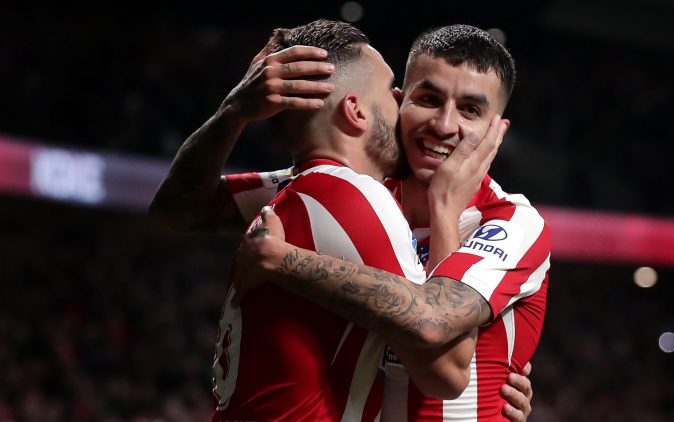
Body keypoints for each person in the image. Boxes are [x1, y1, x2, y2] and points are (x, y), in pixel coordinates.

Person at [150, 20, 531, 421]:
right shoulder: (352, 193)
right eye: (417, 97)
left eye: (470, 109)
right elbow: (444, 366)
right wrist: (232, 112)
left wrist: (282, 261)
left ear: (496, 130)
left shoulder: (511, 220)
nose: (443, 124)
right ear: (356, 110)